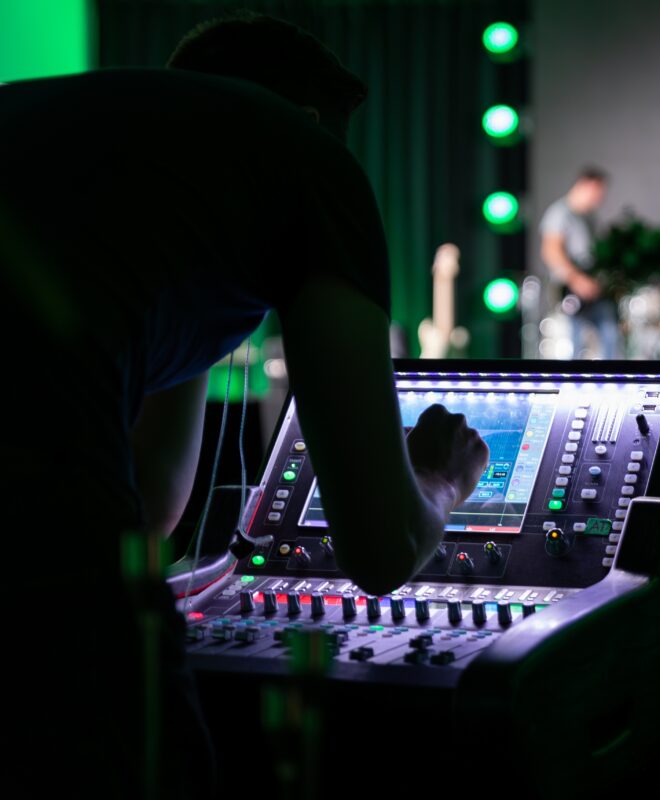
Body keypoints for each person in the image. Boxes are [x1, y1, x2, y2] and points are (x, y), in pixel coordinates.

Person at [0, 13, 488, 796]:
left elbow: (150, 499)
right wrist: (440, 479)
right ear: (310, 123)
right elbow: (382, 547)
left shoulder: (110, 144)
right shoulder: (305, 156)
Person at [540, 167, 620, 359]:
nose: (599, 198)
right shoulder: (560, 213)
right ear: (584, 185)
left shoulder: (588, 217)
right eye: (597, 191)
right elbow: (551, 251)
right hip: (571, 293)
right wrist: (576, 279)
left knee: (608, 336)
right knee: (574, 345)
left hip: (591, 292)